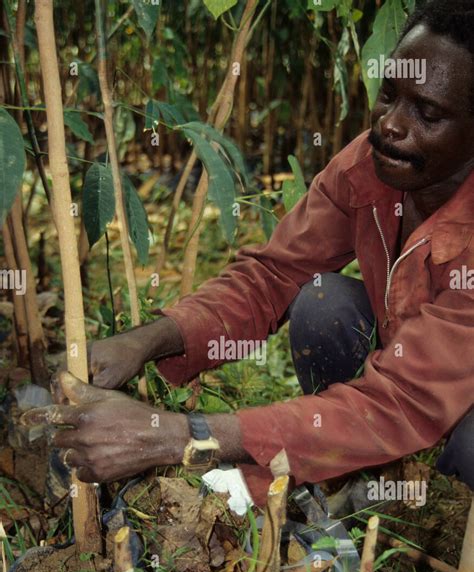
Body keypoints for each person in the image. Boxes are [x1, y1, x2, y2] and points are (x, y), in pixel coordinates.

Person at [27, 0, 474, 501]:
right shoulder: (367, 169)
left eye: (428, 113)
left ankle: (444, 516)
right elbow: (272, 276)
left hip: (442, 399)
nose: (390, 124)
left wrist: (175, 436)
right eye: (388, 95)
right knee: (325, 303)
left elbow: (403, 401)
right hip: (408, 386)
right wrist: (148, 342)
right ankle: (351, 477)